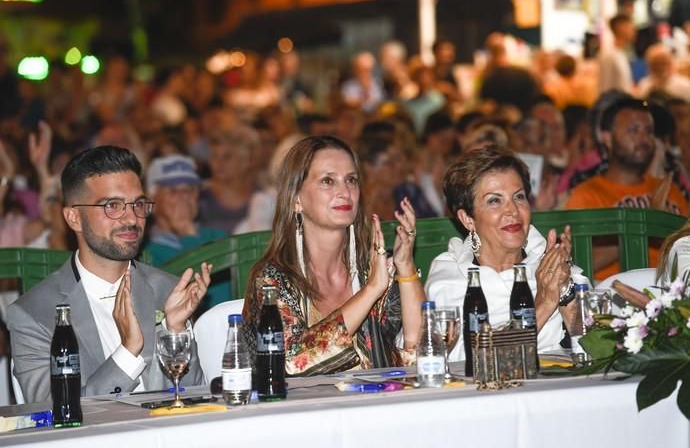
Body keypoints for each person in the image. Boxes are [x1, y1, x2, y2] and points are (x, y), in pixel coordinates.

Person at [7, 146, 212, 403]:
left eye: (138, 204)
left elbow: (193, 397)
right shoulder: (34, 314)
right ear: (74, 218)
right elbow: (53, 414)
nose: (131, 219)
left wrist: (175, 331)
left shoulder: (169, 291)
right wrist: (127, 353)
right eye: (112, 205)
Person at [241, 135, 425, 376]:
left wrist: (405, 265)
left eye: (351, 180)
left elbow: (422, 349)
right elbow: (291, 363)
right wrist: (370, 291)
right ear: (296, 199)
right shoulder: (272, 279)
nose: (344, 192)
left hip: (375, 407)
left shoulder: (374, 266)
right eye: (328, 181)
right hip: (297, 412)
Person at [426, 146, 586, 362]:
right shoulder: (451, 276)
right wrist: (543, 304)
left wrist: (564, 290)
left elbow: (598, 349)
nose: (512, 210)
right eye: (495, 200)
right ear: (467, 219)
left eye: (519, 197)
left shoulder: (549, 261)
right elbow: (472, 362)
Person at [565, 98, 688, 281]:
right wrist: (646, 225)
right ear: (606, 138)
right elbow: (577, 265)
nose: (644, 139)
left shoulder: (668, 189)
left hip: (673, 292)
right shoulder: (586, 195)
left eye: (649, 131)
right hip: (612, 295)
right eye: (633, 130)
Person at [143, 154, 227, 310]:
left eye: (190, 190)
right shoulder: (145, 252)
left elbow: (223, 298)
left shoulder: (219, 238)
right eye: (173, 191)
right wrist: (187, 234)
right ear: (152, 199)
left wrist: (189, 235)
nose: (184, 197)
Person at [598, 13, 636, 94]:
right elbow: (605, 87)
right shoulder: (608, 55)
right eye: (630, 27)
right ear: (621, 28)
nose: (633, 31)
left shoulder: (621, 54)